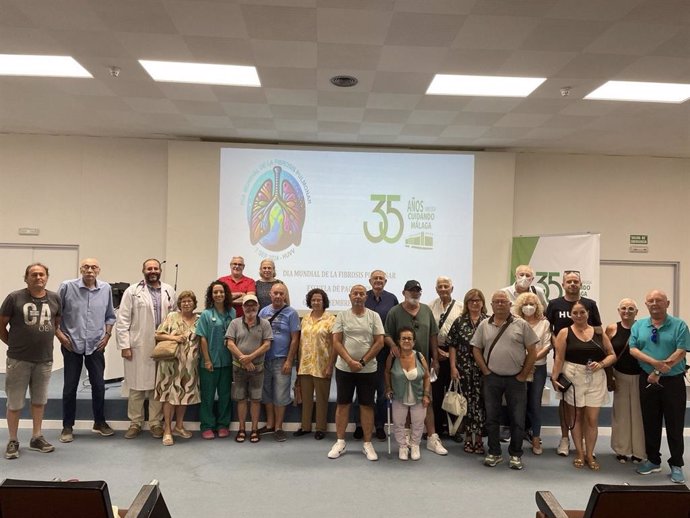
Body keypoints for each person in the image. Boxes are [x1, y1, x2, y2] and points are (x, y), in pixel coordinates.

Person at [471, 291, 538, 470]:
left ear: (510, 304)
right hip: (492, 378)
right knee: (492, 418)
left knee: (517, 419)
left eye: (503, 302)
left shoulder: (521, 324)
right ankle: (494, 452)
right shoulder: (484, 325)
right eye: (496, 302)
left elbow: (533, 351)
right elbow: (476, 349)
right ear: (491, 305)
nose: (500, 304)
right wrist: (485, 370)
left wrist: (524, 374)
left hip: (516, 380)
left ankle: (516, 455)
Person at [1, 263, 61, 459]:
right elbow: (1, 324)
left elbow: (56, 324)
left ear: (47, 277)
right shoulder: (14, 298)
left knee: (39, 401)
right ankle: (12, 440)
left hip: (44, 360)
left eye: (41, 274)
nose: (38, 278)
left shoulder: (54, 298)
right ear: (26, 278)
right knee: (15, 402)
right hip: (18, 359)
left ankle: (37, 437)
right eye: (33, 275)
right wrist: (12, 343)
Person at [630, 290, 690, 484]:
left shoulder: (679, 325)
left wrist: (659, 371)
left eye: (659, 300)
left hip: (672, 381)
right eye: (651, 301)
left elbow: (681, 351)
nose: (655, 303)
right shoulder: (639, 325)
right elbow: (633, 349)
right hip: (646, 380)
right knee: (650, 422)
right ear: (646, 305)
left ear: (667, 303)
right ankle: (653, 460)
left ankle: (676, 464)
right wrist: (654, 364)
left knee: (674, 424)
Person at [55, 258, 116, 443]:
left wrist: (107, 336)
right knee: (70, 386)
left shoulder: (105, 289)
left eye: (94, 267)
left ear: (99, 270)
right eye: (86, 267)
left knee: (98, 385)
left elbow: (110, 316)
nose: (90, 270)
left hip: (96, 344)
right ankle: (67, 426)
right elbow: (55, 313)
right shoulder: (66, 286)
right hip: (71, 343)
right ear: (81, 269)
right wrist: (59, 335)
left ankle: (99, 422)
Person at [551, 300, 616, 471]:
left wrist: (601, 364)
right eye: (575, 313)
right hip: (573, 376)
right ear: (570, 315)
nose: (579, 316)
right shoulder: (564, 332)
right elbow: (559, 357)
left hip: (595, 377)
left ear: (588, 313)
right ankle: (580, 453)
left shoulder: (599, 332)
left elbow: (611, 355)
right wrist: (554, 377)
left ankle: (590, 453)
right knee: (576, 417)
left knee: (592, 419)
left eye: (582, 312)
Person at [116, 258, 176, 439]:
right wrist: (125, 345)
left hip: (163, 344)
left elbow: (174, 316)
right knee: (137, 386)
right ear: (143, 271)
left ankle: (155, 423)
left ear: (160, 271)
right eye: (149, 268)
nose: (153, 271)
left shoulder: (169, 290)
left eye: (155, 268)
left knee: (158, 385)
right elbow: (123, 320)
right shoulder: (132, 291)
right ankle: (135, 422)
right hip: (139, 344)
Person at [385, 280, 447, 455]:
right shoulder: (395, 312)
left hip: (422, 362)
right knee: (403, 402)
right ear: (404, 292)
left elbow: (433, 335)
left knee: (426, 400)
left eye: (417, 291)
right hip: (401, 363)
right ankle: (405, 443)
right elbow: (387, 334)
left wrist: (435, 358)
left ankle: (432, 438)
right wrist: (393, 346)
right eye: (411, 291)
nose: (415, 293)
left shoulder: (426, 310)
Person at [545, 270, 602, 456]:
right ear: (563, 284)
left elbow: (599, 330)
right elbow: (548, 329)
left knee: (584, 405)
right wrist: (558, 344)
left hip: (585, 362)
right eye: (569, 281)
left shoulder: (590, 304)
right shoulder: (554, 304)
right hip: (563, 360)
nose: (572, 284)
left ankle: (585, 442)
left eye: (575, 281)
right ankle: (564, 438)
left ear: (580, 284)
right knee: (565, 402)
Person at [328, 285, 385, 461]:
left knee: (367, 405)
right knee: (343, 404)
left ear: (365, 297)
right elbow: (336, 342)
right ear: (350, 296)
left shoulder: (373, 316)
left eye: (361, 294)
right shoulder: (342, 316)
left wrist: (361, 362)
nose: (358, 296)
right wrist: (350, 361)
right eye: (355, 293)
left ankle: (367, 444)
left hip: (368, 370)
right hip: (345, 369)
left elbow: (379, 342)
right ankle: (340, 442)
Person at [154, 290, 200, 446]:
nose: (186, 303)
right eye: (183, 301)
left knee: (184, 396)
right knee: (169, 397)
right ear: (179, 304)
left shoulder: (199, 320)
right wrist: (174, 338)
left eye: (189, 301)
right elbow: (158, 334)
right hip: (170, 366)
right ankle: (167, 429)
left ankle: (179, 426)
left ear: (194, 303)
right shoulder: (171, 316)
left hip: (189, 366)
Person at [226, 295, 273, 444]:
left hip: (257, 369)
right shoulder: (235, 323)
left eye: (253, 305)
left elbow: (267, 345)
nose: (250, 308)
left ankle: (253, 429)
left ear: (258, 306)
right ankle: (241, 428)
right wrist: (243, 359)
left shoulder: (264, 324)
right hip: (239, 369)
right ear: (243, 307)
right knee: (240, 399)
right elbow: (230, 343)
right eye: (247, 305)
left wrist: (250, 358)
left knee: (255, 400)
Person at [257, 282, 300, 442]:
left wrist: (290, 360)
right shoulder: (263, 311)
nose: (278, 296)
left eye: (281, 294)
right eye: (275, 293)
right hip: (264, 359)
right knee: (266, 393)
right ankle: (269, 423)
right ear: (270, 294)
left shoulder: (292, 313)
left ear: (285, 296)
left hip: (282, 360)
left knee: (281, 395)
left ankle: (279, 427)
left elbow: (295, 339)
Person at [605, 298, 644, 464]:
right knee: (621, 415)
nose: (626, 311)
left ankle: (639, 451)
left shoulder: (643, 328)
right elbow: (605, 352)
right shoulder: (612, 328)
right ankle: (621, 449)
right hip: (619, 375)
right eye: (623, 308)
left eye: (630, 308)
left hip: (640, 376)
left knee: (639, 414)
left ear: (637, 312)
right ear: (618, 310)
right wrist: (609, 376)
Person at [449, 289, 488, 453]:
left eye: (478, 300)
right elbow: (452, 345)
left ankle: (478, 438)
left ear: (483, 303)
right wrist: (452, 366)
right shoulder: (459, 321)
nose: (475, 303)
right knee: (465, 403)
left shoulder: (489, 321)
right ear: (466, 303)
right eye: (471, 300)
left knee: (480, 404)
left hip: (483, 369)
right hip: (463, 368)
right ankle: (467, 437)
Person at [195, 280, 235, 439]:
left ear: (226, 294)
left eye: (221, 292)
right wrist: (207, 360)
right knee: (208, 395)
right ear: (211, 295)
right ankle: (207, 425)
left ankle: (223, 424)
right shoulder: (206, 314)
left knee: (225, 395)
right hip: (209, 362)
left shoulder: (232, 313)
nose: (219, 295)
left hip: (227, 361)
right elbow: (202, 338)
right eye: (215, 292)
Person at [385, 327, 431, 461]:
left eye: (409, 338)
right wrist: (388, 388)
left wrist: (426, 394)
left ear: (414, 342)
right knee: (398, 422)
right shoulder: (393, 357)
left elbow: (427, 376)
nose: (406, 341)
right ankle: (402, 447)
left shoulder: (419, 356)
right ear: (398, 341)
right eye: (403, 338)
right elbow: (387, 372)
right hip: (399, 395)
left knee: (418, 422)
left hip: (418, 396)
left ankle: (415, 445)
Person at [513, 292, 551, 455]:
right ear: (520, 306)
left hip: (538, 368)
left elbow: (547, 346)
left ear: (538, 306)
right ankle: (517, 437)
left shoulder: (544, 324)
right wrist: (525, 362)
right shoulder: (516, 323)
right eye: (525, 304)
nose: (529, 307)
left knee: (535, 404)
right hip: (519, 367)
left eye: (532, 304)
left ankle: (536, 437)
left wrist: (532, 359)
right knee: (519, 404)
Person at [295, 288, 336, 440]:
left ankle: (320, 428)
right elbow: (300, 342)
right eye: (313, 300)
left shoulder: (331, 319)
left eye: (319, 300)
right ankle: (305, 426)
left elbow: (334, 344)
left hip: (322, 364)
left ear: (324, 301)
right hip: (305, 365)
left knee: (321, 398)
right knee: (306, 398)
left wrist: (330, 365)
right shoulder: (305, 319)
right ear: (309, 302)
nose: (316, 302)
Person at [363, 269, 399, 441]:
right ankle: (361, 425)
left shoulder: (392, 299)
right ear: (370, 281)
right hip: (364, 352)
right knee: (363, 390)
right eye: (375, 278)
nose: (378, 281)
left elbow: (395, 324)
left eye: (381, 279)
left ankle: (379, 426)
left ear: (385, 282)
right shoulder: (363, 296)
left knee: (382, 390)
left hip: (384, 353)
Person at [429, 276, 463, 438]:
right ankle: (436, 428)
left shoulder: (461, 308)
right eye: (440, 286)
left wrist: (451, 354)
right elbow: (428, 332)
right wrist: (437, 352)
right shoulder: (430, 307)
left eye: (446, 286)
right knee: (436, 393)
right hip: (435, 353)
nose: (443, 289)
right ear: (436, 289)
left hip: (454, 353)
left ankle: (453, 429)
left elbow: (463, 334)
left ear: (452, 288)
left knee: (454, 392)